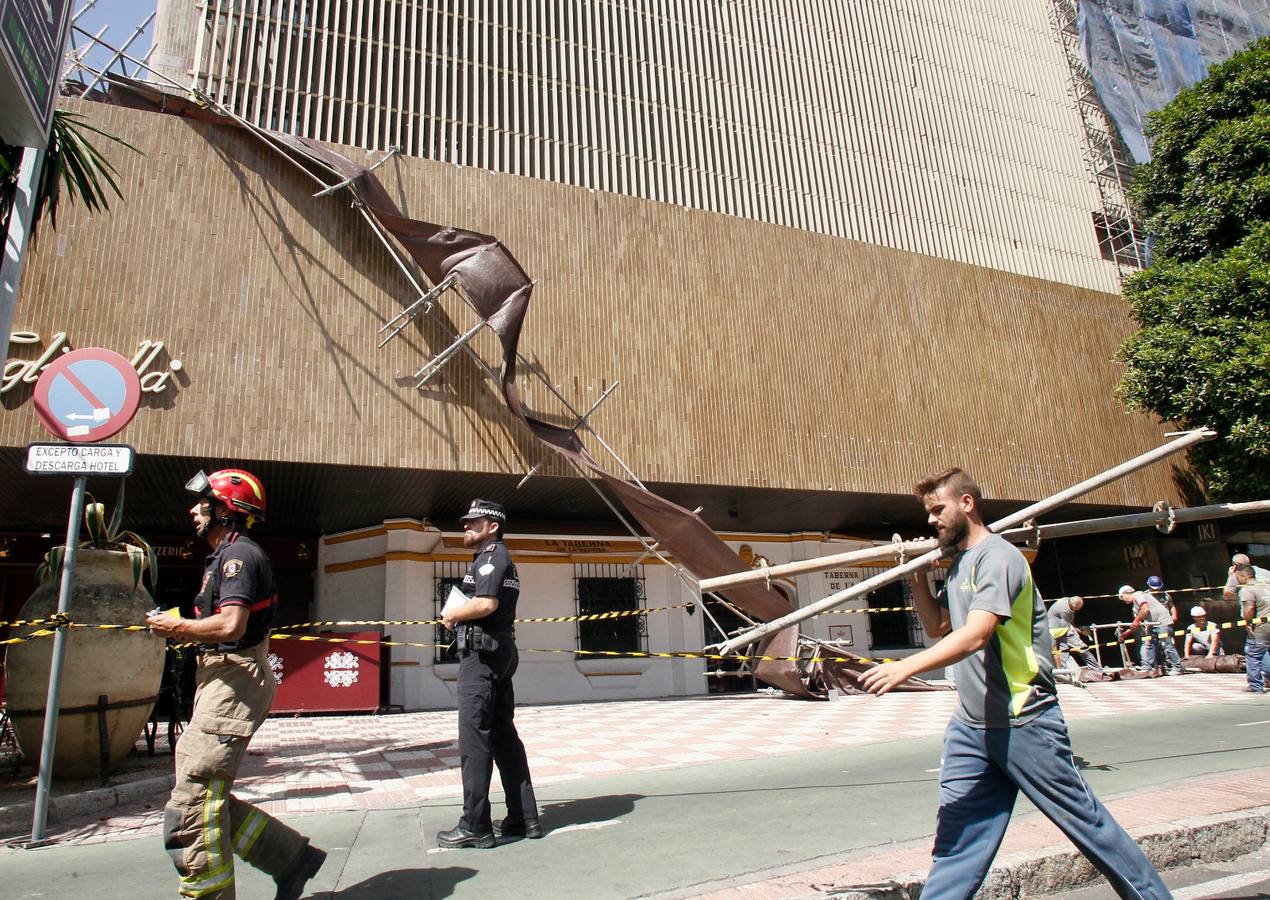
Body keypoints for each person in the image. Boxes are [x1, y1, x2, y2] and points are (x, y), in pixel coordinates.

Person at [858, 468, 1170, 899]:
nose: (930, 520)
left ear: (966, 503)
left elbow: (978, 632)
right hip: (972, 726)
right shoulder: (960, 566)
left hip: (1025, 721)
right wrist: (915, 574)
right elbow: (937, 627)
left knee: (1088, 826)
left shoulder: (999, 558)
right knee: (958, 840)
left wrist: (903, 668)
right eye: (927, 513)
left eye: (937, 509)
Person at [146, 469, 325, 900]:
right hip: (221, 678)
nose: (194, 511)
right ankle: (289, 858)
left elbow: (231, 624)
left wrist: (178, 626)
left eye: (202, 503)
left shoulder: (238, 557)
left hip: (233, 679)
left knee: (192, 802)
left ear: (226, 508)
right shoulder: (224, 557)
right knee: (205, 796)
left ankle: (208, 895)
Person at [436, 499, 541, 848]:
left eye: (473, 522)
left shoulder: (493, 555)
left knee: (474, 739)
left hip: (482, 655)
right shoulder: (494, 557)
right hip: (497, 651)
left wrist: (452, 617)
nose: (465, 526)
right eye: (465, 522)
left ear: (492, 526)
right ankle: (523, 818)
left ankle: (475, 825)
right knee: (502, 737)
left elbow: (486, 604)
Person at [1118, 584, 1184, 676]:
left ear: (1125, 593)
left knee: (1167, 645)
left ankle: (1178, 668)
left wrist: (1136, 620)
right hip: (1153, 625)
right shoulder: (1135, 605)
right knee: (1149, 644)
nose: (1124, 601)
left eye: (1122, 598)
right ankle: (1148, 666)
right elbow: (1138, 622)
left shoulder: (1138, 595)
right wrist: (1126, 633)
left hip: (1162, 623)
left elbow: (1145, 609)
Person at [1235, 564, 1270, 694]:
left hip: (1260, 627)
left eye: (1237, 577)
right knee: (1264, 652)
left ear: (1244, 576)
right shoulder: (1266, 586)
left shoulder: (1247, 590)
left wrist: (1248, 623)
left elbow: (1249, 609)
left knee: (1253, 654)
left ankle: (1256, 686)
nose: (1236, 579)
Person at [1046, 596, 1091, 669]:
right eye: (1076, 609)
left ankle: (1063, 671)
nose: (1077, 610)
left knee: (1063, 653)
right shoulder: (1064, 611)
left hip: (1059, 631)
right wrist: (1082, 632)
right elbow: (1069, 623)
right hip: (1053, 632)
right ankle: (1060, 671)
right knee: (1055, 653)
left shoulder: (1067, 601)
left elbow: (1070, 621)